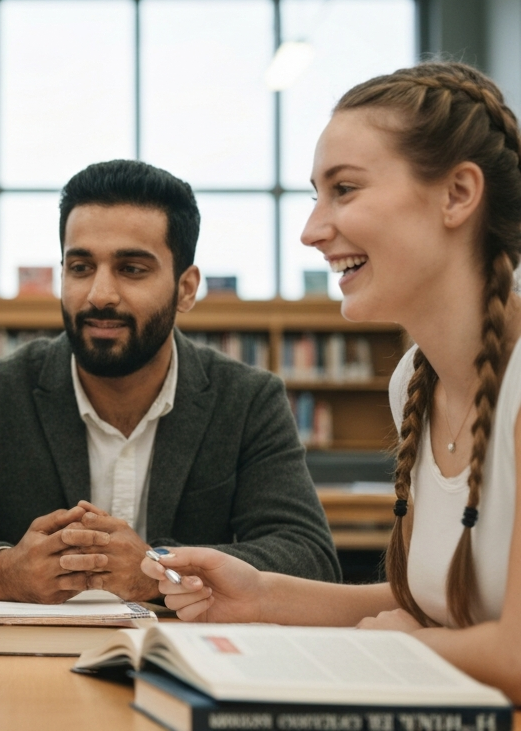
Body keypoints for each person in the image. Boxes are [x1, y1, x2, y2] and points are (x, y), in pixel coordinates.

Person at [143, 62, 521, 702]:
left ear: (458, 194)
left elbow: (510, 652)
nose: (312, 229)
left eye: (343, 190)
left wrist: (388, 645)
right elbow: (434, 608)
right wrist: (259, 595)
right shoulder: (415, 381)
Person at [0, 159, 339, 610]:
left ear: (186, 288)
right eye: (81, 267)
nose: (100, 294)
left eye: (132, 269)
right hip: (25, 670)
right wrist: (3, 572)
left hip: (182, 662)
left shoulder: (247, 400)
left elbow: (309, 560)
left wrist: (158, 570)